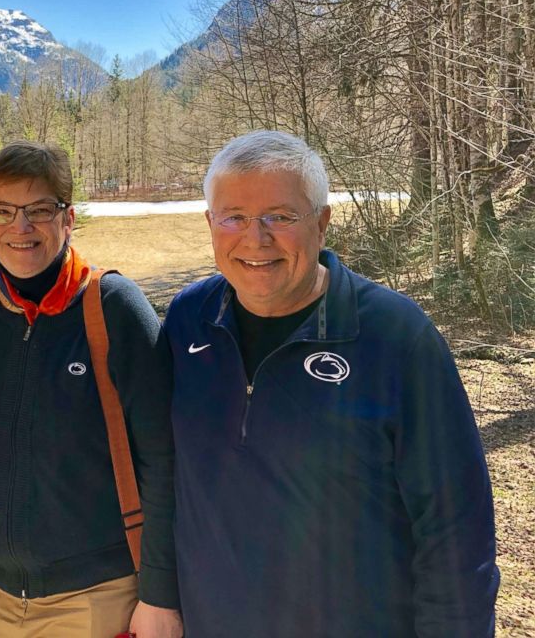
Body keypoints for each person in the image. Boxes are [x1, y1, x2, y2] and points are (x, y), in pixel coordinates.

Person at [164, 130, 499, 637]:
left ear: (321, 222)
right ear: (211, 223)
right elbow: (162, 475)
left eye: (280, 216)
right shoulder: (189, 319)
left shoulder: (394, 336)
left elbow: (455, 527)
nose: (256, 239)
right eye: (234, 217)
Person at [0, 142, 182, 638]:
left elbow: (163, 461)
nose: (20, 227)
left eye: (39, 211)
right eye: (3, 211)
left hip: (96, 595)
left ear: (68, 218)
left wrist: (159, 594)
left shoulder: (114, 308)